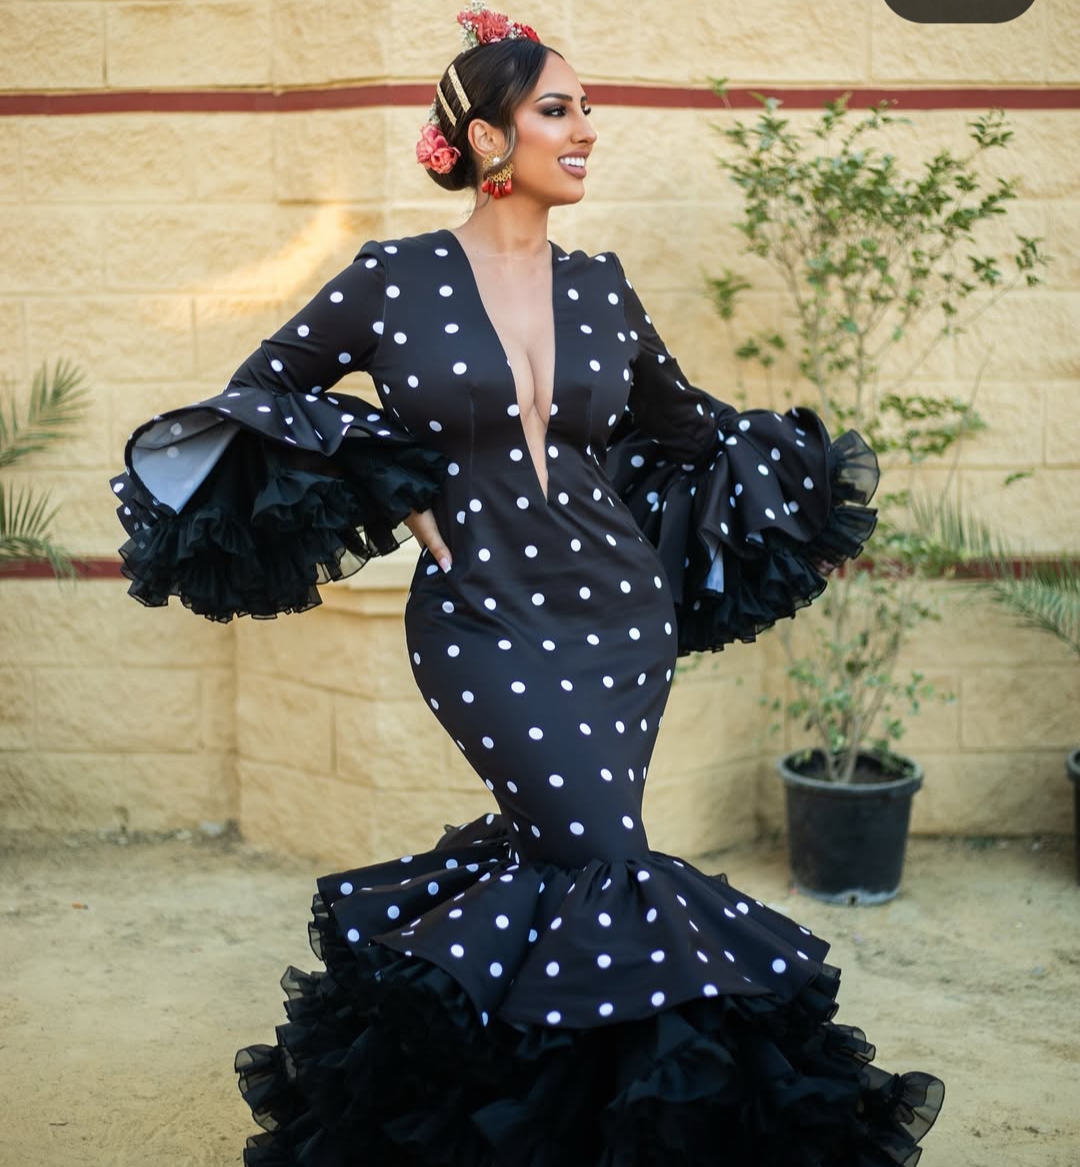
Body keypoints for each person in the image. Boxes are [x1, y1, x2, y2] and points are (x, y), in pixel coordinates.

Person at [110, 5, 944, 1163]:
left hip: (621, 618)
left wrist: (801, 501)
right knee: (604, 863)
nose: (587, 128)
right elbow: (263, 392)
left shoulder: (601, 286)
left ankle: (531, 1123)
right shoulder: (393, 278)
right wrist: (382, 470)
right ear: (487, 138)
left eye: (587, 109)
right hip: (481, 622)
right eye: (559, 109)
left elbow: (691, 428)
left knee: (568, 864)